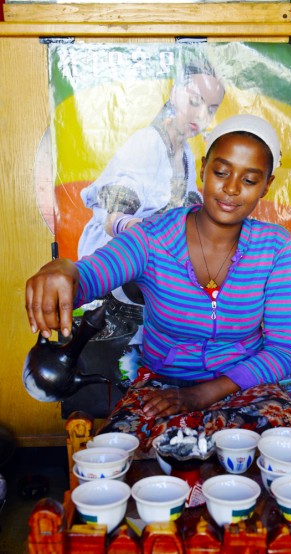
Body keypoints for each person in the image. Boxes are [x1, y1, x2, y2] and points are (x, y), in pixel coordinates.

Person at [26, 114, 291, 454]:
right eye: (221, 172)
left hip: (243, 388)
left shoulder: (273, 246)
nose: (231, 188)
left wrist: (202, 394)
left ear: (267, 185)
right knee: (119, 453)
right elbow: (89, 277)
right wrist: (64, 271)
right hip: (162, 387)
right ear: (203, 169)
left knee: (278, 442)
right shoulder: (152, 238)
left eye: (249, 179)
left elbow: (284, 350)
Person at [76, 61, 225, 380]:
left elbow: (185, 209)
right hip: (116, 252)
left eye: (210, 109)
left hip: (153, 251)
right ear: (174, 95)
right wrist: (149, 238)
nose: (200, 116)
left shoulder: (184, 154)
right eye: (194, 101)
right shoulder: (147, 142)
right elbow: (115, 216)